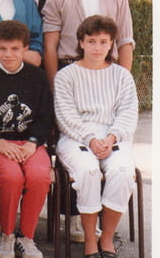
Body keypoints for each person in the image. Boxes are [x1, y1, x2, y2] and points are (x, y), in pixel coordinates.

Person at [54, 15, 138, 258]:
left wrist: (111, 138)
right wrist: (90, 139)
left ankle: (107, 239)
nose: (97, 48)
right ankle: (90, 239)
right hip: (76, 138)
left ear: (111, 44)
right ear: (81, 42)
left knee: (122, 172)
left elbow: (128, 112)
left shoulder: (122, 76)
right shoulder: (66, 76)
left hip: (114, 138)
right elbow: (66, 115)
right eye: (91, 41)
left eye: (103, 42)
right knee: (88, 171)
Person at [0, 21, 53, 258]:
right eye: (2, 48)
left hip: (31, 144)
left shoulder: (37, 76)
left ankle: (26, 237)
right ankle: (7, 235)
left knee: (40, 176)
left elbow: (46, 116)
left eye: (15, 49)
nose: (8, 54)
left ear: (25, 49)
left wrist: (33, 141)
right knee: (11, 177)